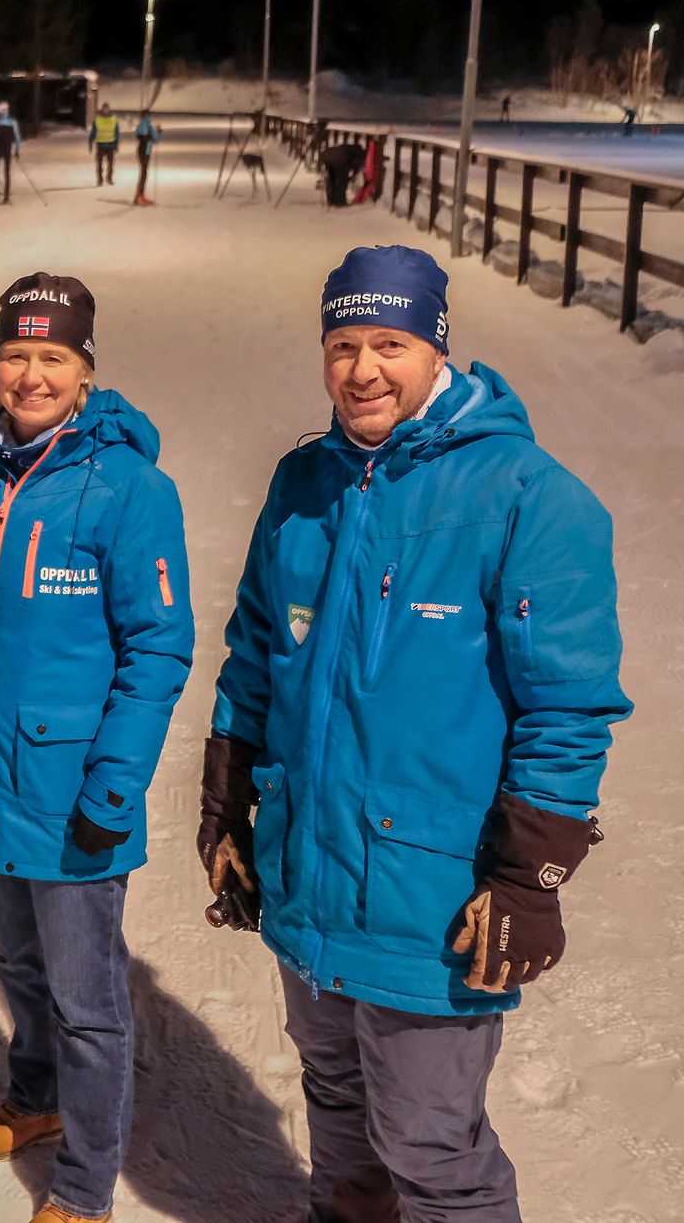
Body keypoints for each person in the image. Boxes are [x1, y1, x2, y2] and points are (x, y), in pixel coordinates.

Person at [200, 245, 631, 1223]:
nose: (361, 369)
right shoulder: (302, 484)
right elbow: (252, 654)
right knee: (335, 1106)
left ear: (435, 351)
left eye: (388, 343)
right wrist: (224, 803)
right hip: (309, 876)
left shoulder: (526, 496)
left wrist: (528, 878)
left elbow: (567, 707)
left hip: (429, 896)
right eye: (341, 343)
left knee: (432, 1149)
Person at [0, 273, 193, 1223]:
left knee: (89, 1003)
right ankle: (37, 1097)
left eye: (53, 357)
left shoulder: (129, 490)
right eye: (15, 355)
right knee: (20, 970)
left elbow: (157, 650)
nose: (30, 375)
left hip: (72, 800)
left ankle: (88, 1186)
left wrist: (113, 789)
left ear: (86, 370)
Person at [0, 101, 21, 205]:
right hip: (7, 149)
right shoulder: (13, 122)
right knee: (7, 172)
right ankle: (6, 196)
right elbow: (17, 137)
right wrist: (17, 150)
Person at [319, 141, 363, 208]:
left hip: (328, 159)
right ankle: (340, 202)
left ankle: (332, 200)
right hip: (339, 160)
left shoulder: (348, 148)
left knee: (332, 180)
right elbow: (355, 164)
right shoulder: (359, 153)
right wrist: (354, 174)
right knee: (341, 182)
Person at [132, 113, 161, 207]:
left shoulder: (142, 125)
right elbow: (155, 139)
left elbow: (140, 135)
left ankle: (140, 195)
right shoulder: (147, 126)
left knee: (144, 173)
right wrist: (159, 132)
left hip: (143, 151)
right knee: (144, 173)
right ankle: (139, 196)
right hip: (145, 151)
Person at [88, 103, 119, 186]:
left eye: (106, 109)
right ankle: (100, 180)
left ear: (109, 109)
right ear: (102, 109)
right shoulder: (97, 119)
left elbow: (116, 132)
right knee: (99, 163)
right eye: (104, 109)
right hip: (100, 144)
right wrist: (90, 142)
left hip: (110, 144)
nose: (105, 110)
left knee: (110, 164)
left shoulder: (113, 119)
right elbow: (93, 132)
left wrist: (116, 144)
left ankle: (109, 178)